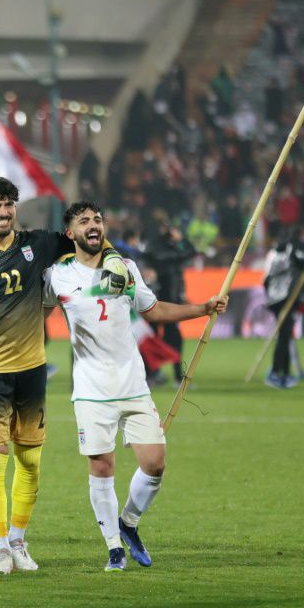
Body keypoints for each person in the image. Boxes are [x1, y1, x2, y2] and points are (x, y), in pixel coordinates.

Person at [0, 177, 128, 575]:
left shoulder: (40, 243)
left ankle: (17, 541)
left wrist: (112, 257)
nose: (4, 211)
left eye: (9, 203)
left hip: (31, 371)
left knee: (30, 463)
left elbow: (88, 237)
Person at [47, 200, 227, 571]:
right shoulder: (58, 275)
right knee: (102, 467)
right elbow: (33, 310)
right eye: (84, 221)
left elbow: (155, 309)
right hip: (91, 389)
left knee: (155, 463)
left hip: (133, 383)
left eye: (98, 219)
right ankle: (113, 546)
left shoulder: (126, 268)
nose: (93, 225)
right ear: (71, 234)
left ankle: (127, 523)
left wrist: (203, 308)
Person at [143, 216, 196, 385]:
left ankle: (171, 375)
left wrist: (182, 241)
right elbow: (183, 254)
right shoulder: (156, 249)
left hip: (169, 302)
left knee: (173, 338)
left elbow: (189, 253)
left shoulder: (163, 248)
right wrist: (181, 242)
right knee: (154, 338)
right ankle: (152, 374)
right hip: (155, 303)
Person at [263, 227, 304, 389]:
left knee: (285, 336)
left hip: (276, 299)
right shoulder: (288, 252)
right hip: (285, 298)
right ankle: (278, 372)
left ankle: (283, 372)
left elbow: (265, 280)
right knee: (284, 336)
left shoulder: (272, 254)